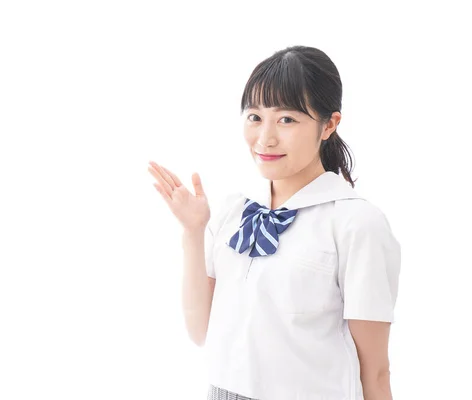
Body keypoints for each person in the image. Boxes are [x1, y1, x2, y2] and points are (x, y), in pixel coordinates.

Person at [147, 45, 401, 400]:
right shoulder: (233, 212)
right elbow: (200, 330)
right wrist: (192, 232)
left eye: (287, 119)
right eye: (255, 117)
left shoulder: (356, 224)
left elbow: (375, 372)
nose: (265, 138)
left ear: (329, 124)